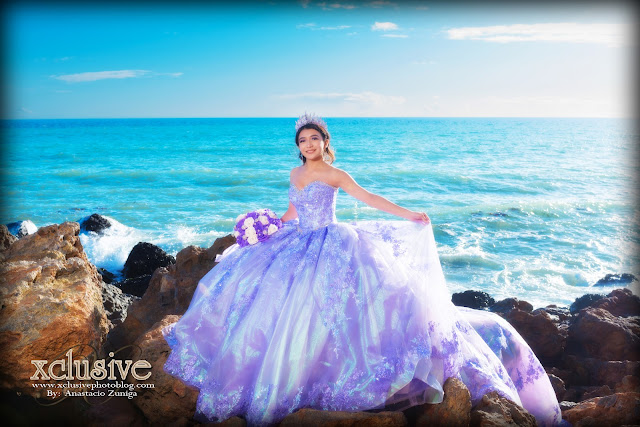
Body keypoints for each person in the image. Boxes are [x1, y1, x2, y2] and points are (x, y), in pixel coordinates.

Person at [162, 113, 562, 426]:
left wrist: (409, 215)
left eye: (314, 138)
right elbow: (292, 212)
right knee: (272, 306)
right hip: (298, 240)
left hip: (333, 244)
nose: (309, 144)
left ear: (324, 142)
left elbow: (369, 198)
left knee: (340, 313)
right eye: (302, 140)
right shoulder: (295, 174)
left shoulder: (336, 174)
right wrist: (264, 228)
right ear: (298, 148)